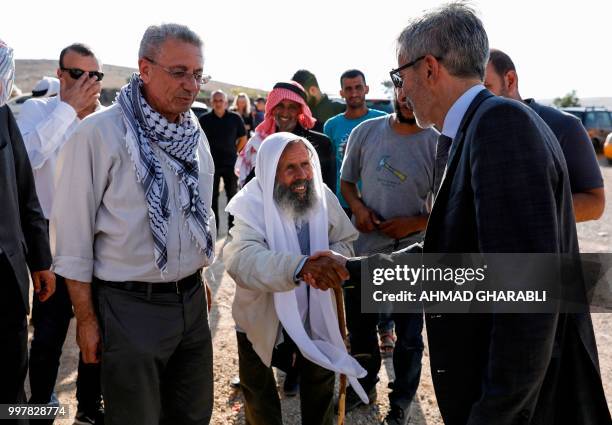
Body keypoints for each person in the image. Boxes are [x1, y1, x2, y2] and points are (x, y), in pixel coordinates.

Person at [319, 4, 611, 425]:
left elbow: (526, 299)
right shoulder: (473, 128)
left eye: (400, 77)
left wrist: (494, 415)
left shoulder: (500, 126)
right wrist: (353, 273)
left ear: (431, 69)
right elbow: (460, 262)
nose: (400, 91)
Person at [52, 23, 216, 425]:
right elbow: (72, 238)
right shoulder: (98, 134)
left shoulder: (194, 135)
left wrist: (200, 276)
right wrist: (87, 320)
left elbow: (201, 214)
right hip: (129, 307)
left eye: (197, 74)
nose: (191, 85)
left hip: (191, 305)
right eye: (179, 72)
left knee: (193, 414)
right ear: (144, 68)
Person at [223, 132, 367, 425]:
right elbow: (241, 260)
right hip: (261, 317)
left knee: (321, 388)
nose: (302, 175)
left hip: (316, 309)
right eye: (290, 168)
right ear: (269, 171)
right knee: (259, 397)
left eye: (305, 164)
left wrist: (329, 261)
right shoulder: (251, 204)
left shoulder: (321, 195)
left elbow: (345, 239)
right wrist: (300, 267)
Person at [17, 43, 104, 424]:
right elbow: (28, 158)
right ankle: (37, 408)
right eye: (76, 74)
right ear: (59, 74)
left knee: (94, 326)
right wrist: (68, 110)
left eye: (94, 76)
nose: (86, 82)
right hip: (50, 241)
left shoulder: (108, 120)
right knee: (48, 334)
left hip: (97, 240)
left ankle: (88, 407)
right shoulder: (39, 111)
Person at [339, 88, 437, 423]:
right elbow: (347, 182)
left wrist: (415, 222)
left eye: (415, 93)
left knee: (409, 335)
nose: (408, 99)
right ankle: (364, 385)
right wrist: (358, 208)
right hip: (365, 250)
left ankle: (402, 400)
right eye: (402, 92)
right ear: (394, 92)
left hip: (412, 253)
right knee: (362, 328)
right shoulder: (365, 132)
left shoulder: (439, 144)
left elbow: (449, 205)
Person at [0, 39, 55, 425]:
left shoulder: (4, 117)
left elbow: (25, 194)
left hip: (6, 278)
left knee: (9, 382)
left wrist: (41, 262)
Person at [484, 48, 605, 222]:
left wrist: (526, 210)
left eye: (486, 88)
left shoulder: (564, 126)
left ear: (510, 81)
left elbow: (596, 204)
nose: (479, 101)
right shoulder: (471, 131)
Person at [236, 81, 335, 192]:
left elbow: (328, 190)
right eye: (280, 106)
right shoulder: (261, 143)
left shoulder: (321, 143)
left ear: (299, 111)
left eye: (292, 107)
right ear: (273, 108)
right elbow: (249, 187)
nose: (285, 112)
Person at [324, 69, 387, 215]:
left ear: (366, 89)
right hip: (342, 203)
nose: (354, 93)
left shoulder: (383, 120)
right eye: (348, 89)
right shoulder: (331, 125)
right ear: (341, 93)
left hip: (377, 200)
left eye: (358, 87)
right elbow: (328, 167)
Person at [199, 90, 246, 230]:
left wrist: (235, 151)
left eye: (221, 100)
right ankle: (214, 229)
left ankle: (232, 229)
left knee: (232, 196)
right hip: (210, 165)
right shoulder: (204, 119)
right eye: (215, 100)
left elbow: (243, 137)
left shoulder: (235, 118)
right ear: (211, 102)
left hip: (230, 164)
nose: (218, 103)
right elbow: (199, 140)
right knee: (211, 199)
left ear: (226, 102)